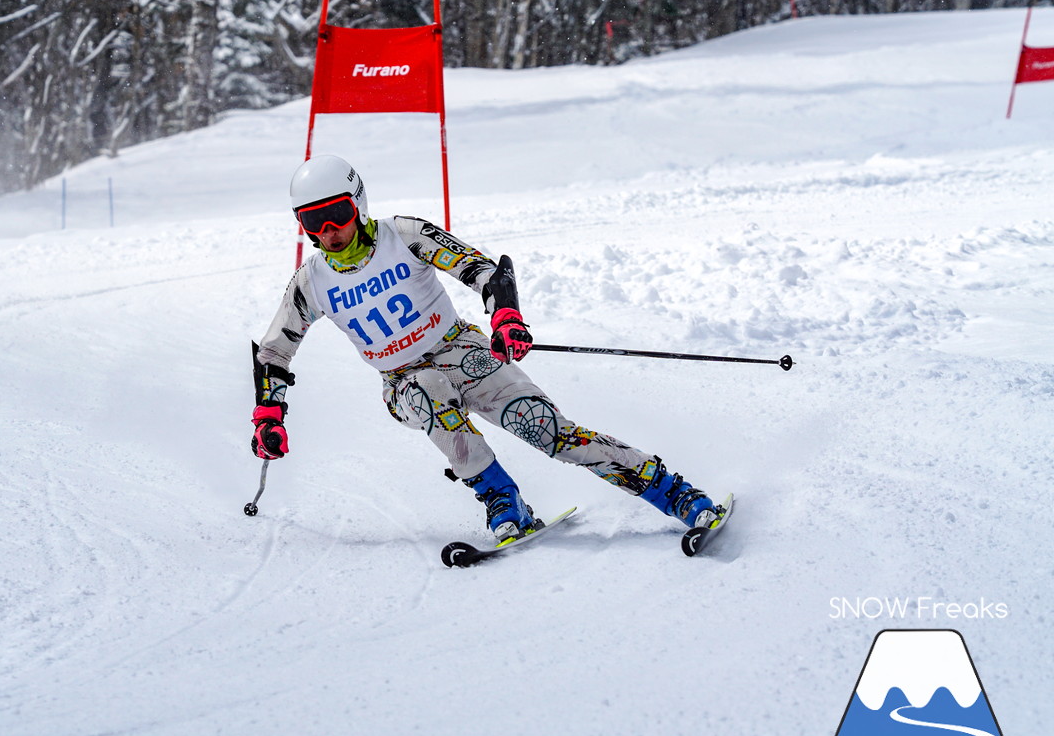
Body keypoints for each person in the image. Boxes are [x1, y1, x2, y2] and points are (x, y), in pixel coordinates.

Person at [251, 155, 725, 544]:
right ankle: (503, 500)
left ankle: (676, 494)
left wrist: (505, 314)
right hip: (401, 381)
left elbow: (484, 270)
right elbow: (274, 352)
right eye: (313, 220)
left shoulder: (404, 234)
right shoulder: (311, 282)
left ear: (359, 203)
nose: (329, 229)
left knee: (545, 430)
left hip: (462, 350)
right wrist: (269, 417)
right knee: (427, 389)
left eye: (338, 214)